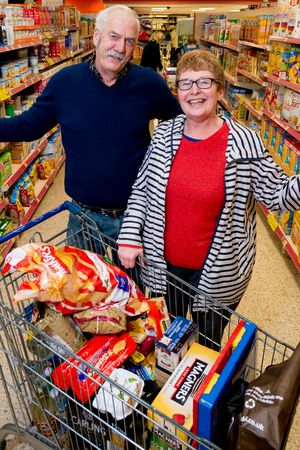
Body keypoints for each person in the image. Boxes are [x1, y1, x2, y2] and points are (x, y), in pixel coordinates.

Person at [117, 50, 300, 348]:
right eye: (186, 84)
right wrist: (128, 237)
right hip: (165, 271)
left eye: (204, 82)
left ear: (220, 90)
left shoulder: (244, 141)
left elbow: (278, 195)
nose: (195, 91)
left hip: (218, 275)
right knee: (168, 341)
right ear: (177, 93)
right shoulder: (164, 134)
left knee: (207, 346)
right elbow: (141, 189)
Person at [0, 5, 180, 246]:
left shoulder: (148, 83)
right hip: (83, 216)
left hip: (136, 217)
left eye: (129, 41)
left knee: (130, 285)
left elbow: (181, 122)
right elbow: (27, 126)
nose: (120, 48)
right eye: (113, 36)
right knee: (81, 283)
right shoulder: (65, 83)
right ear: (97, 36)